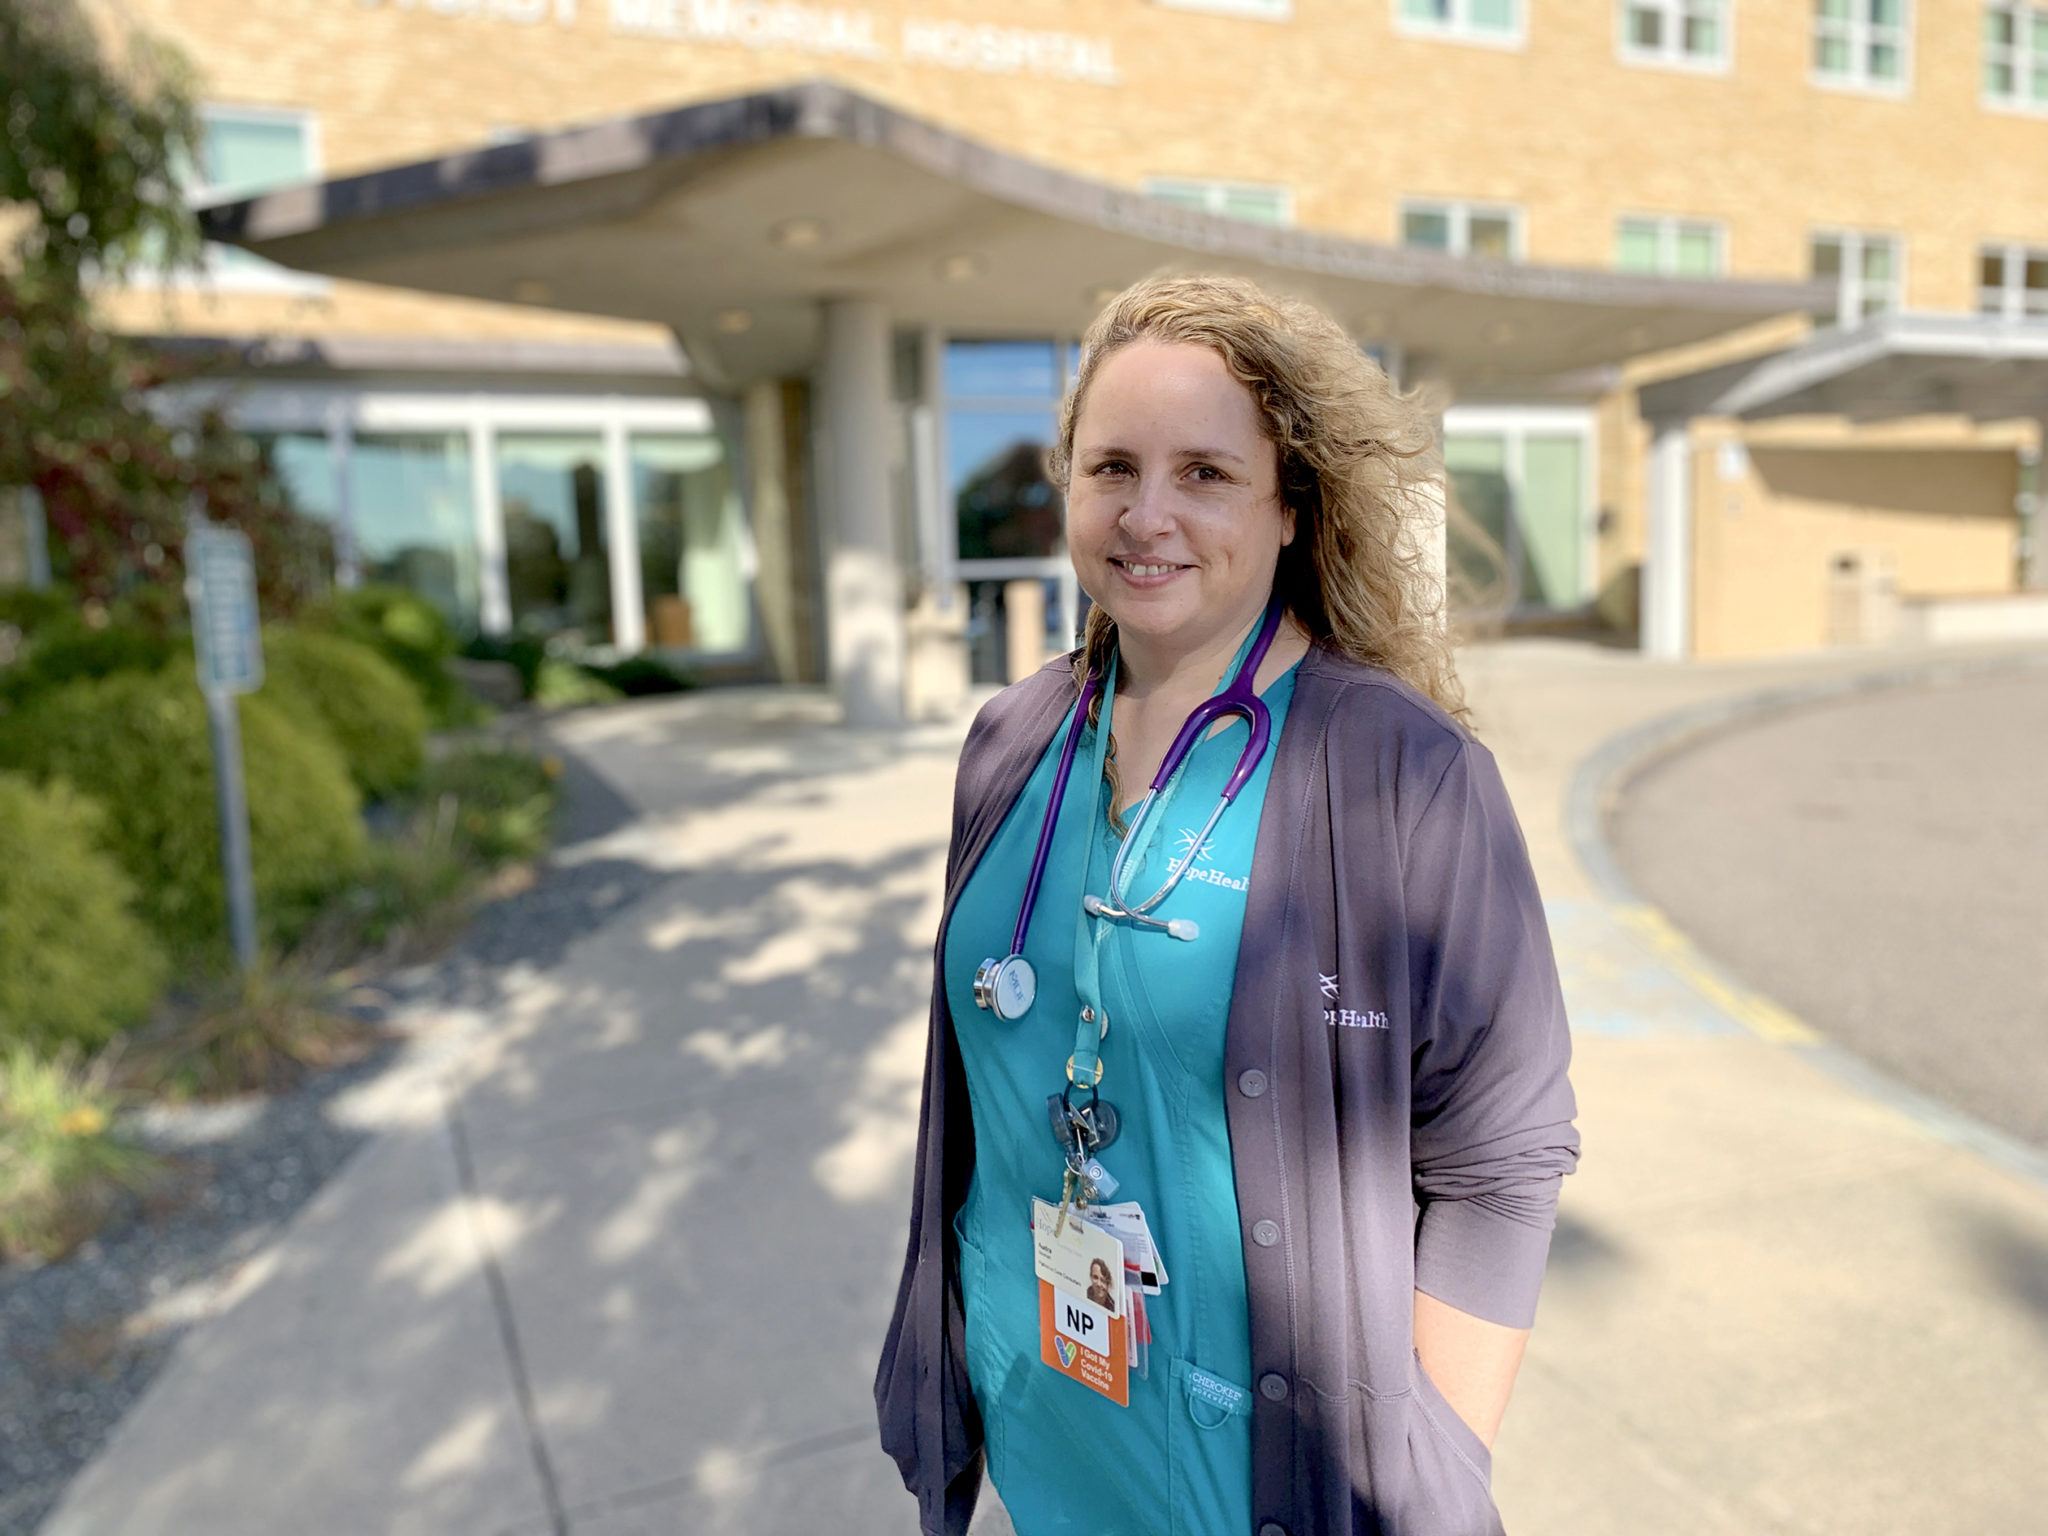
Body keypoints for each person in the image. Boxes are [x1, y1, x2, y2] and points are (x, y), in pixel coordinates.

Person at [875, 273, 1579, 1536]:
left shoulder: (1399, 776)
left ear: (1289, 508)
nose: (1147, 516)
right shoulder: (1012, 739)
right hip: (1045, 1434)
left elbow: (1499, 1158)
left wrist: (1422, 1464)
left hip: (1252, 1491)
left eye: (1204, 472)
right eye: (1112, 469)